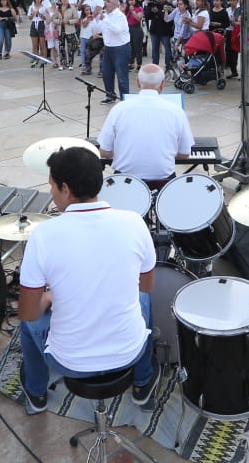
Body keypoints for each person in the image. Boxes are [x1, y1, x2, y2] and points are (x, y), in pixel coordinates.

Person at [17, 146, 159, 414]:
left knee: (26, 323)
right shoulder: (134, 222)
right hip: (130, 351)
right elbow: (147, 286)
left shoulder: (44, 235)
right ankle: (142, 384)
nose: (51, 193)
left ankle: (36, 395)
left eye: (52, 187)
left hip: (69, 362)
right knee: (144, 298)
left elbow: (28, 311)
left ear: (66, 189)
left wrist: (48, 297)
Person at [97, 64, 194, 185]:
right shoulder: (176, 112)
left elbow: (104, 152)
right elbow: (184, 154)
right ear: (163, 84)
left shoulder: (119, 109)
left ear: (138, 83)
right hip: (162, 182)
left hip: (124, 182)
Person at [96, 0, 131, 104]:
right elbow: (99, 29)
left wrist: (104, 20)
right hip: (108, 48)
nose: (106, 3)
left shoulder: (120, 16)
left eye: (108, 1)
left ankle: (125, 98)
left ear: (115, 4)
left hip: (120, 48)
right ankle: (110, 95)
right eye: (105, 0)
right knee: (106, 73)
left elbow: (117, 30)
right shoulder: (106, 15)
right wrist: (98, 19)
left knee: (121, 75)